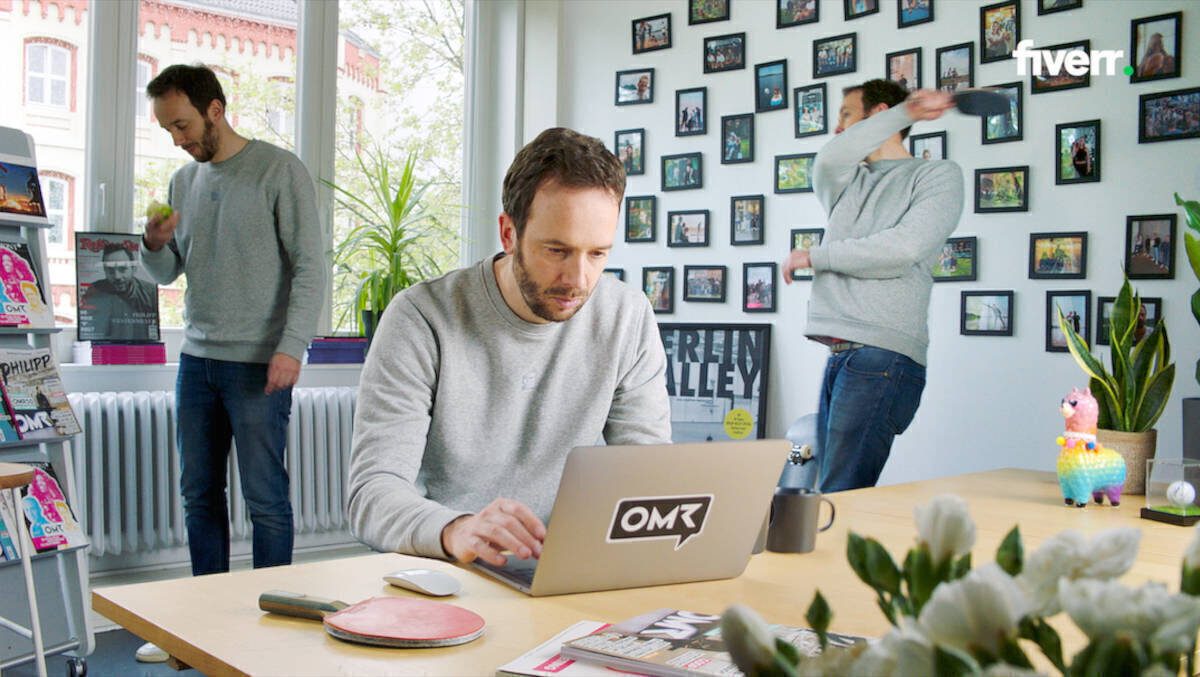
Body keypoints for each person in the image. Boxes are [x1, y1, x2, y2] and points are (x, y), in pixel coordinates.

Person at [347, 127, 671, 566]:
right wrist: (456, 530)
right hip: (445, 570)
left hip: (568, 570)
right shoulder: (420, 318)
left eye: (597, 254)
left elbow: (647, 476)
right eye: (557, 250)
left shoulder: (627, 316)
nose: (578, 280)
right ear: (508, 233)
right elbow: (373, 494)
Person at [137, 63, 325, 662]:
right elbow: (172, 273)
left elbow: (311, 267)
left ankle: (272, 638)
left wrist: (292, 346)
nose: (178, 139)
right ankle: (205, 629)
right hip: (197, 363)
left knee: (265, 499)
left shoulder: (277, 170)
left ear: (215, 108)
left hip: (258, 365)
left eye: (183, 124)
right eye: (168, 129)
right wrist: (155, 245)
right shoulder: (184, 182)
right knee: (199, 496)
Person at [782, 80, 964, 492]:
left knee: (839, 493)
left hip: (883, 355)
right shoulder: (848, 182)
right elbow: (830, 158)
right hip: (844, 352)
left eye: (846, 114)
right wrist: (905, 114)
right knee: (829, 492)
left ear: (877, 113)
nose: (838, 128)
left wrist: (818, 255)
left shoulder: (937, 175)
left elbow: (903, 248)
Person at [79, 244, 159, 341]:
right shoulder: (94, 292)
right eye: (110, 271)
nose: (117, 276)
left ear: (133, 269)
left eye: (122, 269)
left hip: (140, 350)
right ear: (105, 270)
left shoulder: (150, 292)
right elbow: (89, 330)